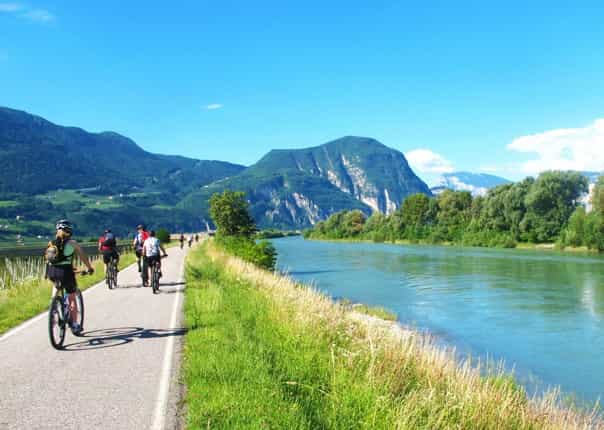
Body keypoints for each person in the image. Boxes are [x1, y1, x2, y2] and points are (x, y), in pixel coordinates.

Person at [46, 220, 94, 334]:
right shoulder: (72, 243)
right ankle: (74, 324)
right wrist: (89, 268)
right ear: (69, 231)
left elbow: (50, 259)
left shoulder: (51, 243)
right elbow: (83, 257)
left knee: (56, 287)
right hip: (66, 273)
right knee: (71, 297)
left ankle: (53, 308)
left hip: (52, 272)